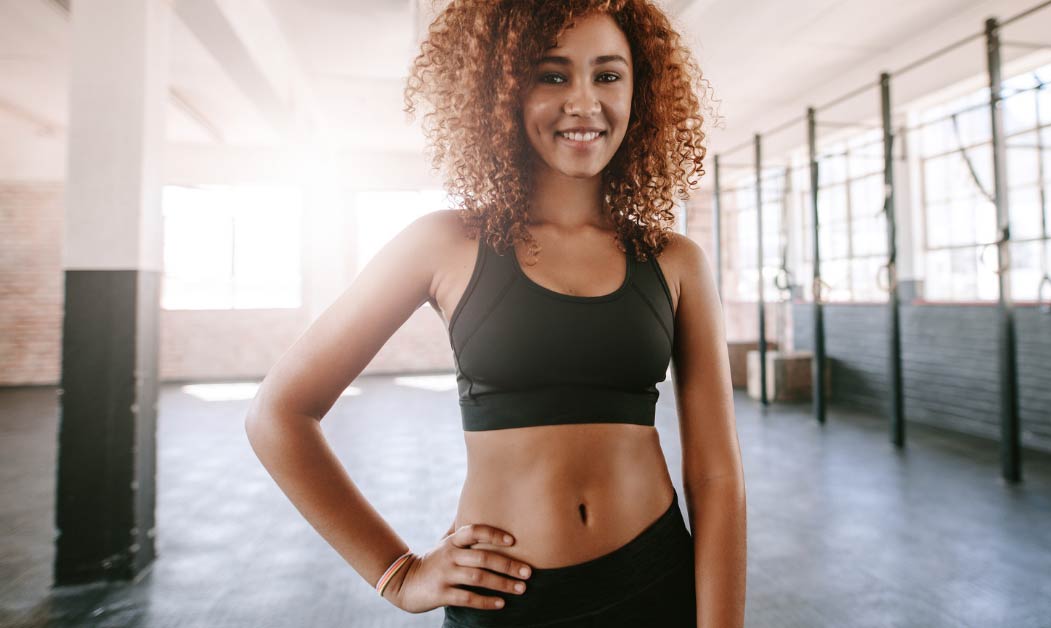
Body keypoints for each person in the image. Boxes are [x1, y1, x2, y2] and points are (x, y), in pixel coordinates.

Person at [244, 1, 746, 626]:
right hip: (505, 603)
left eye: (608, 75)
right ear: (503, 90)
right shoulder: (443, 243)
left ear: (640, 94)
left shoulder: (674, 259)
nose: (585, 102)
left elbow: (716, 475)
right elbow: (279, 414)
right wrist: (397, 574)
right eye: (553, 75)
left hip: (654, 584)